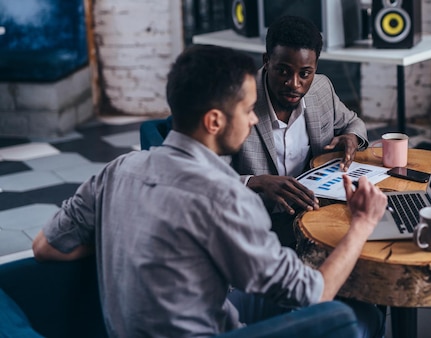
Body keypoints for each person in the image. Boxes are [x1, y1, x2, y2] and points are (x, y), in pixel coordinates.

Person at [31, 44, 388, 337]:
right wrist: (361, 223)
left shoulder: (117, 170)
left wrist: (132, 239)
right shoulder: (225, 197)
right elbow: (314, 294)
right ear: (214, 121)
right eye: (248, 110)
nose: (253, 119)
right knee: (360, 315)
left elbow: (45, 246)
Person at [231, 15, 370, 244]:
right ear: (267, 61)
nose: (294, 84)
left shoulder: (321, 88)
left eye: (305, 74)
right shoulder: (237, 101)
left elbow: (353, 122)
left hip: (313, 212)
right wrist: (257, 182)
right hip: (256, 224)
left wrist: (352, 137)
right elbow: (207, 177)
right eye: (283, 71)